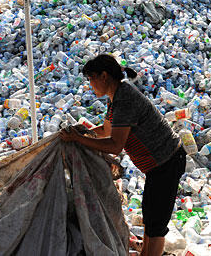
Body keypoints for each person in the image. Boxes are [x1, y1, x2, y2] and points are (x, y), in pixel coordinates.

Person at [59, 54, 186, 256]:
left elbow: (114, 145)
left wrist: (77, 139)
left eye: (91, 79)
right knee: (150, 217)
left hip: (167, 161)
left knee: (156, 224)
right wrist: (82, 132)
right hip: (157, 166)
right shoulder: (115, 99)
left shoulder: (125, 100)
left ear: (103, 76)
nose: (90, 85)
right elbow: (108, 130)